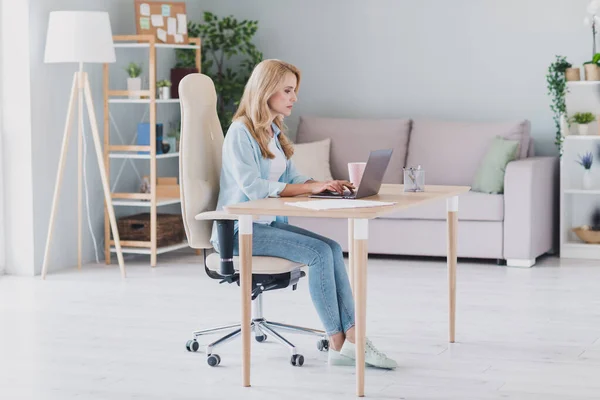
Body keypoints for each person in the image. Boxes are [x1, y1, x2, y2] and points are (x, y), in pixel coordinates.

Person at [210, 59, 397, 369]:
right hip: (240, 232)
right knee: (319, 254)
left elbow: (293, 177)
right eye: (287, 91)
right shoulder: (240, 132)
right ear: (266, 90)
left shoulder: (272, 132)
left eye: (294, 91)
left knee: (333, 248)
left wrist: (322, 185)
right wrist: (309, 187)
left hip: (267, 226)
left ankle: (354, 339)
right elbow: (254, 188)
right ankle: (339, 344)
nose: (293, 98)